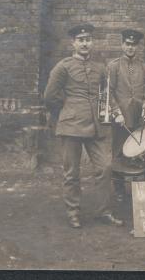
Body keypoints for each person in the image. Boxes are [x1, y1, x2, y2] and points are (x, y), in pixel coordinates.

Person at [44, 24, 123, 228]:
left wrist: (116, 112)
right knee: (72, 172)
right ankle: (73, 212)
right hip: (71, 126)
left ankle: (103, 211)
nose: (85, 43)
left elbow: (107, 95)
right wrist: (68, 109)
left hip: (98, 126)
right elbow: (50, 96)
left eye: (88, 39)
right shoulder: (63, 66)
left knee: (105, 168)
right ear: (73, 43)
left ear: (92, 42)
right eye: (81, 40)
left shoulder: (100, 67)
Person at [108, 29, 145, 201]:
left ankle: (139, 188)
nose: (130, 47)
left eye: (133, 44)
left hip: (139, 117)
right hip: (120, 119)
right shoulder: (113, 66)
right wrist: (116, 112)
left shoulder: (144, 67)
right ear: (122, 45)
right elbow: (109, 92)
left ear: (137, 47)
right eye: (127, 44)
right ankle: (119, 189)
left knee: (141, 152)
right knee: (119, 153)